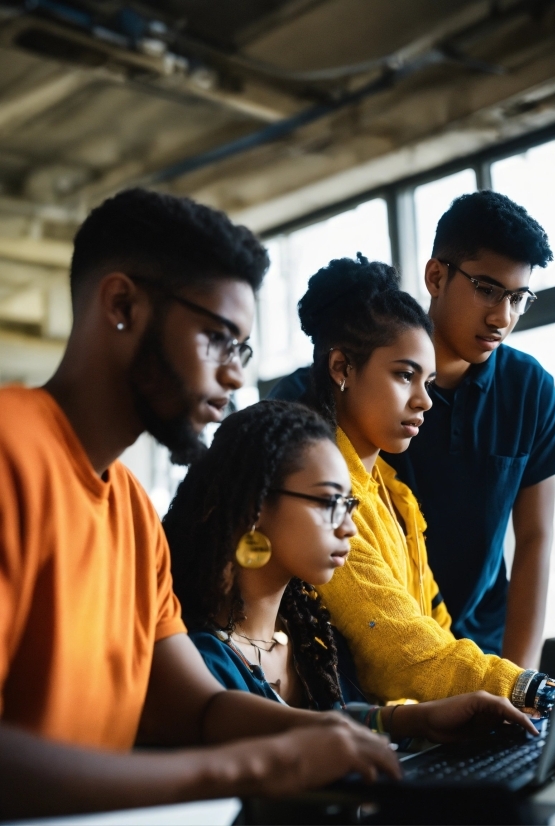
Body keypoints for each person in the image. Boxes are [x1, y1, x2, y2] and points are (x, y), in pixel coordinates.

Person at [0, 190, 399, 821]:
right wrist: (253, 766)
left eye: (241, 350)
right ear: (122, 305)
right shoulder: (9, 452)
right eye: (217, 338)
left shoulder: (131, 510)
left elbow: (196, 706)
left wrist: (335, 731)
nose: (235, 376)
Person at [270, 192, 555, 669]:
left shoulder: (529, 390)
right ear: (436, 277)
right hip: (360, 653)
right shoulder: (318, 396)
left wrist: (520, 678)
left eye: (517, 298)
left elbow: (535, 538)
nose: (502, 317)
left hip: (477, 648)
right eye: (488, 289)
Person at [164, 399, 539, 744]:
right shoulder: (198, 662)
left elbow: (336, 721)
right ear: (256, 505)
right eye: (329, 503)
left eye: (349, 505)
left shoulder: (312, 638)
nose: (349, 527)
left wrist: (418, 720)